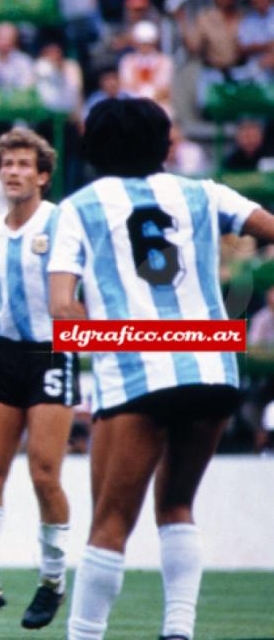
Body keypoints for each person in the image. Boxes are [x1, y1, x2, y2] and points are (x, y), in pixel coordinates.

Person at [48, 97, 274, 640]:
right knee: (176, 504)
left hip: (138, 368)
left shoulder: (81, 205)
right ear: (164, 145)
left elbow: (61, 306)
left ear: (93, 147)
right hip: (212, 360)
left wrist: (108, 347)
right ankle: (178, 630)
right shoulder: (202, 191)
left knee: (110, 522)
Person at [0, 128, 78, 629]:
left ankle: (52, 579)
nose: (14, 172)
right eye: (7, 165)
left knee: (45, 473)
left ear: (43, 175)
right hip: (5, 354)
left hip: (53, 352)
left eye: (25, 164)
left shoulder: (63, 223)